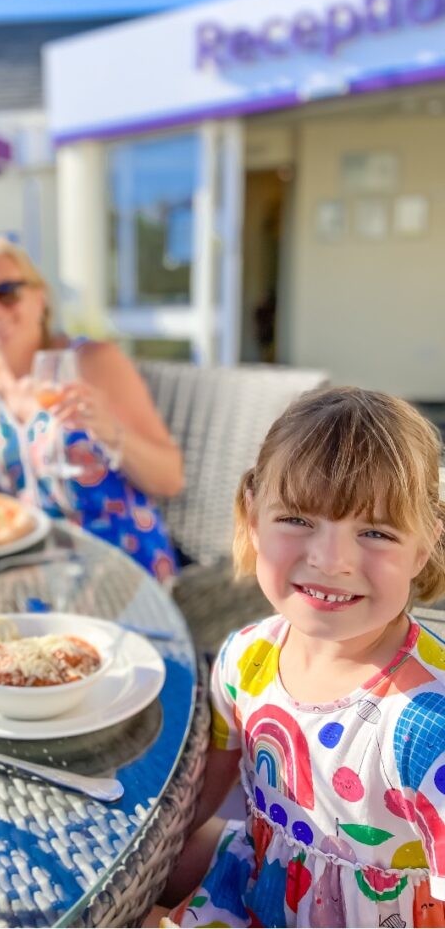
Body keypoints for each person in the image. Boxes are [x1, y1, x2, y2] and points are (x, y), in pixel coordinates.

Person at [155, 386, 445, 928]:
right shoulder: (247, 657)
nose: (331, 559)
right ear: (252, 518)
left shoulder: (427, 728)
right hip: (257, 879)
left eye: (375, 532)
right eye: (297, 519)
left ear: (424, 547)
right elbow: (198, 799)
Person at [0, 237, 183, 581]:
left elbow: (171, 479)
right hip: (38, 570)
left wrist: (110, 432)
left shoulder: (93, 363)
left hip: (123, 564)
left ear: (40, 299)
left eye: (7, 291)